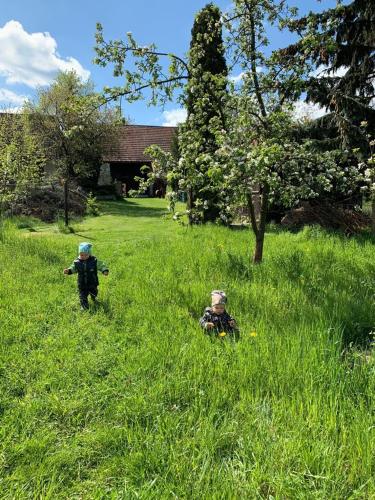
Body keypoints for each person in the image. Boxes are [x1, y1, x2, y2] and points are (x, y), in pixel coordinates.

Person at [64, 242, 109, 310]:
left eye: (86, 255)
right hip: (82, 283)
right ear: (79, 254)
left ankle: (93, 298)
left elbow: (101, 265)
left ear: (89, 254)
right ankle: (84, 306)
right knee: (82, 295)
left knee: (94, 292)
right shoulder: (77, 262)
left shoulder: (94, 260)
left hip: (92, 282)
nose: (83, 257)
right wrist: (69, 270)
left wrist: (104, 270)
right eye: (81, 255)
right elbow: (73, 268)